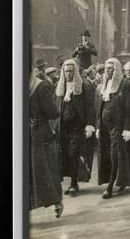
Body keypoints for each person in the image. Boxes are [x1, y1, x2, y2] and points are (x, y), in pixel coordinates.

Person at [55, 59, 95, 196]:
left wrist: (90, 124)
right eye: (66, 71)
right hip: (63, 127)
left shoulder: (85, 86)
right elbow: (57, 106)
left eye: (71, 71)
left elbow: (90, 107)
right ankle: (71, 182)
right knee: (66, 154)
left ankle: (74, 183)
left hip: (77, 127)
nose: (68, 74)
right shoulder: (60, 86)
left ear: (75, 71)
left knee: (74, 154)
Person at [29, 66, 63, 218]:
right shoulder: (40, 86)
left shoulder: (37, 86)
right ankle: (56, 202)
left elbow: (52, 113)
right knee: (45, 169)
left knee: (39, 170)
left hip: (36, 136)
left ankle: (55, 201)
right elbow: (53, 112)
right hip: (38, 134)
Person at [96, 58, 130, 199]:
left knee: (114, 153)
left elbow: (129, 109)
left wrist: (127, 128)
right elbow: (100, 107)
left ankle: (110, 186)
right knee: (105, 154)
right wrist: (98, 126)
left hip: (117, 125)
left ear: (116, 69)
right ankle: (114, 180)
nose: (107, 71)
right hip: (105, 126)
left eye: (111, 68)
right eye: (106, 68)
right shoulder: (102, 85)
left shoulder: (124, 85)